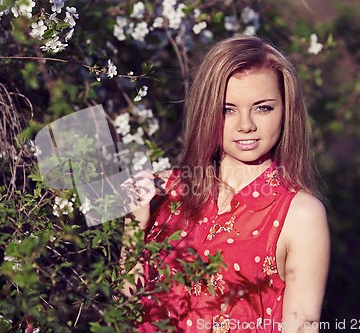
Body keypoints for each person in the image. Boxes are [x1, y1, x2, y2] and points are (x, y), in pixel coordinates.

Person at [120, 35, 330, 333]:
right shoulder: (164, 189)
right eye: (227, 109)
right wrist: (133, 227)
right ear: (207, 112)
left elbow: (301, 328)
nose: (245, 124)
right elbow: (126, 312)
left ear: (286, 111)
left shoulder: (301, 214)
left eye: (263, 108)